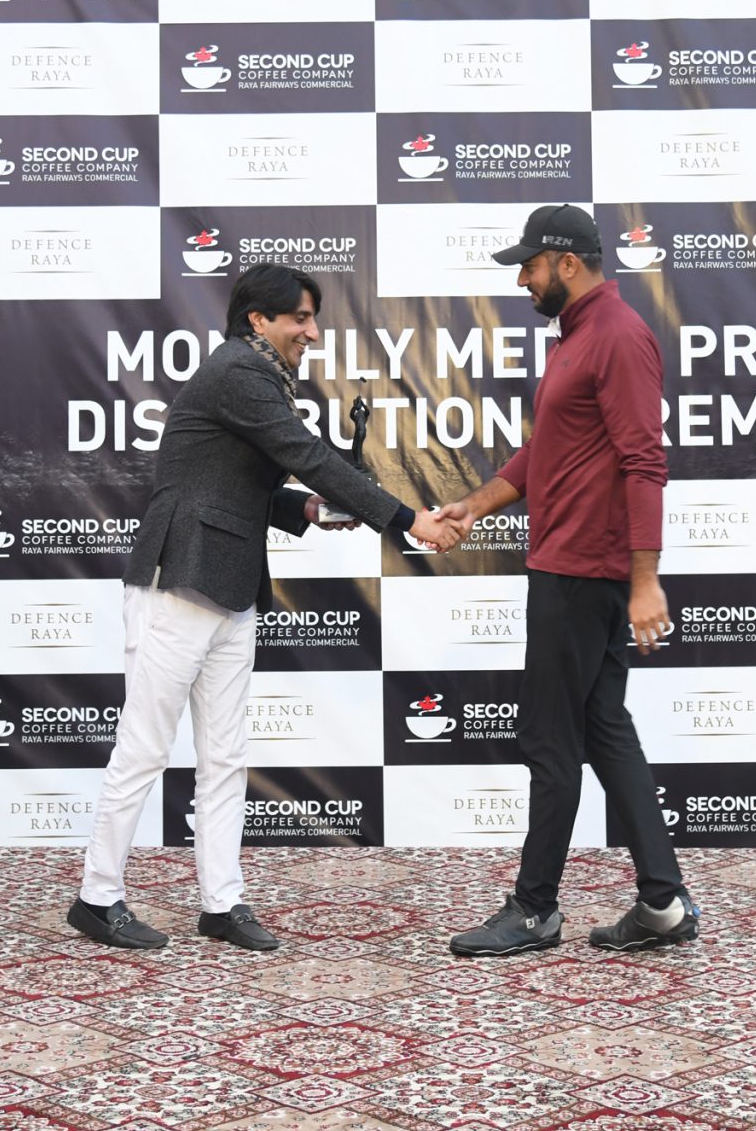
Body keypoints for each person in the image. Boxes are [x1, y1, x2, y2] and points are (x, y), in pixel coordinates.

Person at [70, 263, 461, 953]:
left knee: (225, 755)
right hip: (179, 580)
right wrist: (407, 519)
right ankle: (97, 897)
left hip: (228, 585)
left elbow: (239, 480)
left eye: (313, 318)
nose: (312, 332)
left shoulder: (259, 377)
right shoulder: (238, 371)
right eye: (300, 318)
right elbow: (305, 454)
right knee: (145, 746)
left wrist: (305, 510)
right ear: (258, 319)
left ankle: (221, 903)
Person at [435, 205, 693, 956]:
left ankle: (534, 908)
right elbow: (544, 452)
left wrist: (646, 581)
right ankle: (662, 901)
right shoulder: (578, 335)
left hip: (582, 573)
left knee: (551, 740)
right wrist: (474, 506)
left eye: (530, 264)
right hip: (573, 565)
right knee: (604, 728)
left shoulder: (617, 336)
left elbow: (645, 462)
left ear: (568, 262)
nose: (522, 278)